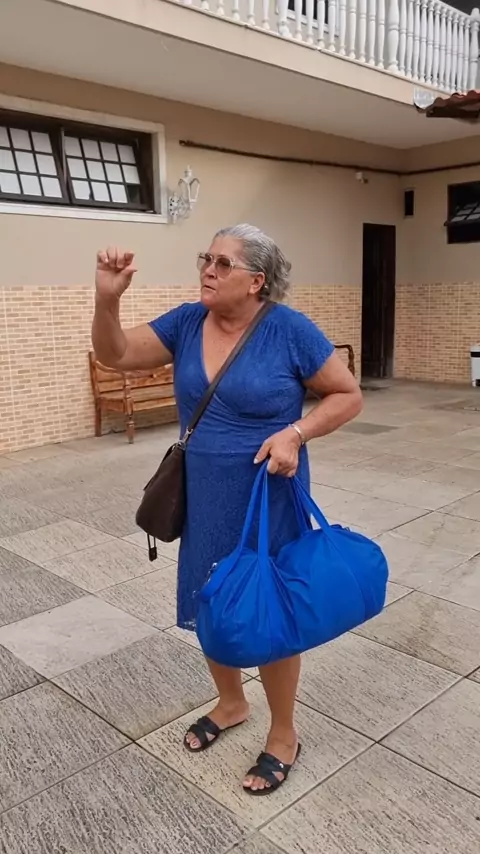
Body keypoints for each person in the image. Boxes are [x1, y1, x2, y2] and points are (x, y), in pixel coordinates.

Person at [92, 223, 362, 795]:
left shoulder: (289, 330)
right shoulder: (188, 322)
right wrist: (107, 299)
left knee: (269, 607)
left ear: (256, 281)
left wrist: (295, 432)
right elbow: (115, 354)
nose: (207, 271)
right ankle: (232, 702)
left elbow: (347, 394)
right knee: (211, 597)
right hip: (206, 495)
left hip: (269, 495)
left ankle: (284, 733)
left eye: (222, 263)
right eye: (205, 259)